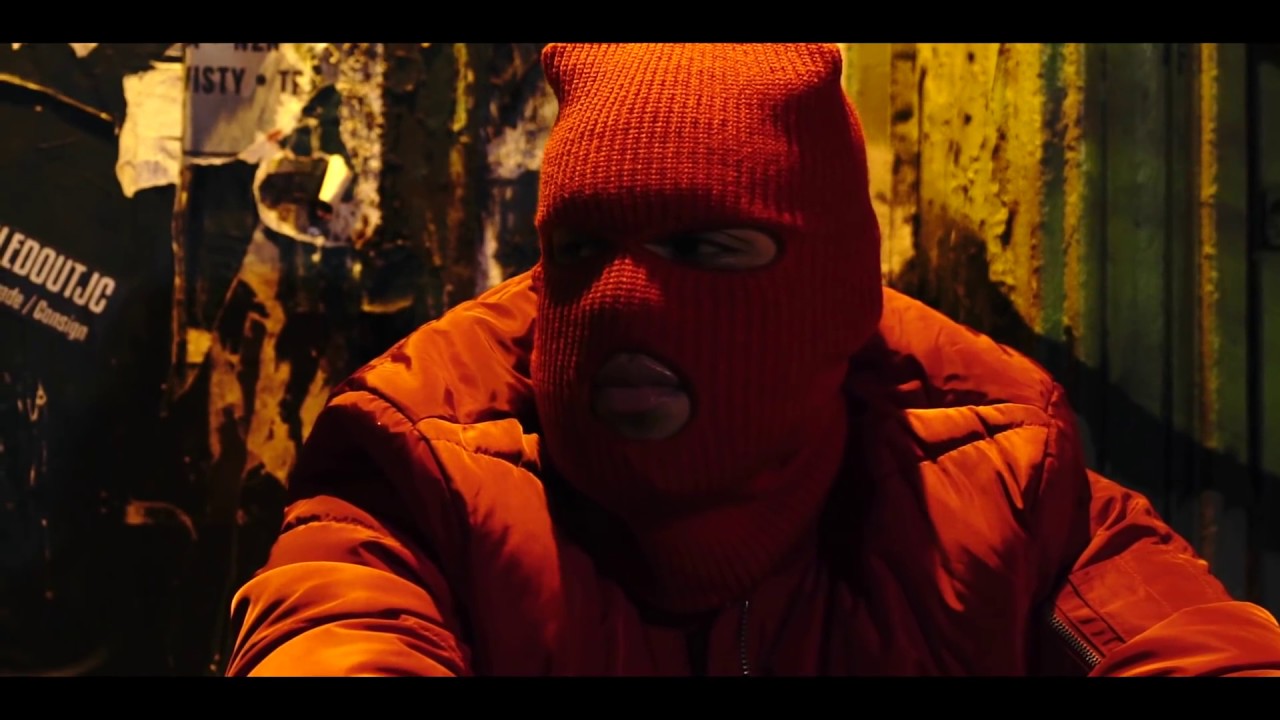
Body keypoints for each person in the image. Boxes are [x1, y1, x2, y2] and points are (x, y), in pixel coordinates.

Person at [224, 42, 1280, 676]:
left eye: (702, 248)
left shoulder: (994, 476)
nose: (625, 300)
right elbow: (338, 626)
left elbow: (1184, 642)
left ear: (825, 286)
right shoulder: (416, 472)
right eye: (584, 247)